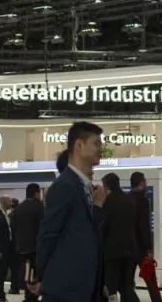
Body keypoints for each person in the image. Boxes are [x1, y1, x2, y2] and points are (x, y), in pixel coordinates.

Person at [33, 122, 106, 302]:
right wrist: (38, 274)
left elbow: (84, 233)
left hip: (84, 287)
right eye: (96, 143)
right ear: (79, 145)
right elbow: (48, 234)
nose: (101, 149)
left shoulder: (82, 186)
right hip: (65, 289)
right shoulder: (65, 186)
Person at [100, 173, 138, 302]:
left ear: (107, 185)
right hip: (129, 249)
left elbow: (104, 226)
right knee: (126, 286)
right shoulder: (129, 200)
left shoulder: (108, 201)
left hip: (112, 251)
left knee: (111, 287)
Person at [129, 172, 161, 302]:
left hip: (129, 249)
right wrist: (149, 249)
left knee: (127, 285)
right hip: (142, 249)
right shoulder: (143, 201)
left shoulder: (126, 199)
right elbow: (144, 226)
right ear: (141, 183)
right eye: (145, 181)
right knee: (152, 283)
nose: (146, 183)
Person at [11, 184, 43, 302]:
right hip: (36, 247)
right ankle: (31, 297)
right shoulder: (39, 206)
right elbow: (43, 226)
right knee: (35, 274)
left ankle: (27, 294)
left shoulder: (19, 208)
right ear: (36, 193)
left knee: (26, 272)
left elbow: (13, 227)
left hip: (22, 248)